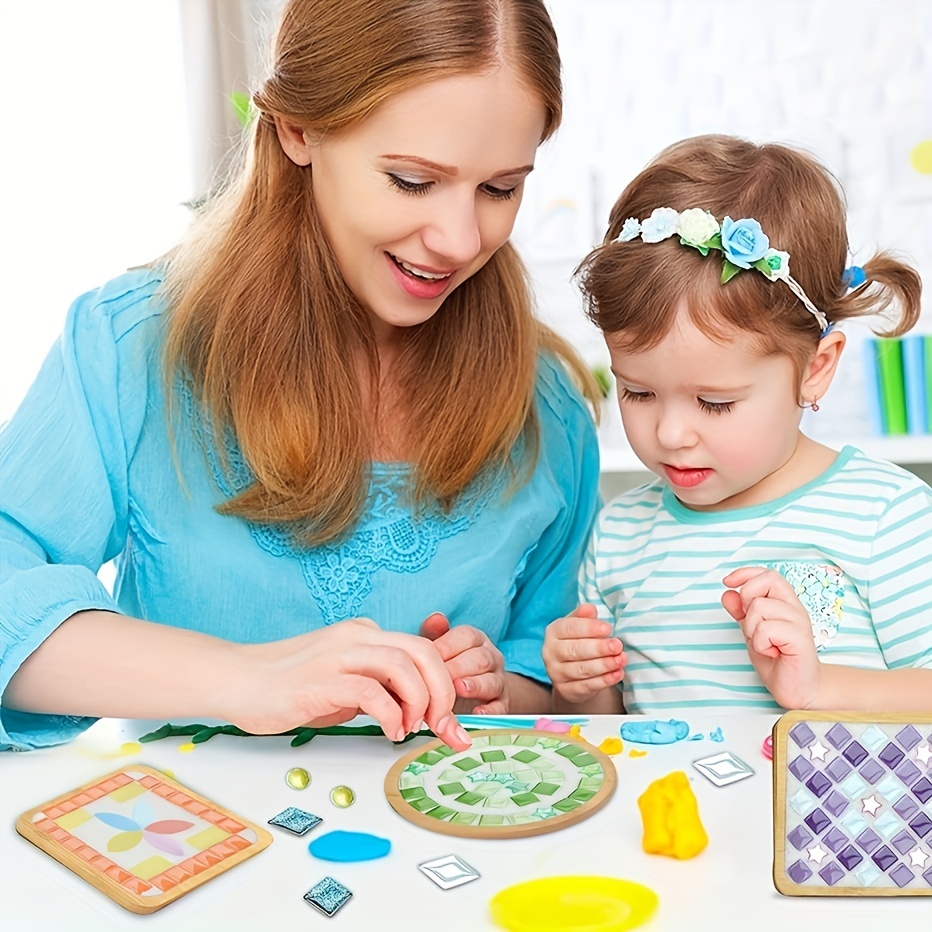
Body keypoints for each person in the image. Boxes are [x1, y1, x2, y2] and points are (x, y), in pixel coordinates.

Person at [0, 0, 601, 752]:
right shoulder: (130, 348)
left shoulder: (544, 405)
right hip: (196, 859)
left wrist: (496, 686)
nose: (458, 239)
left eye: (500, 188)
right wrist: (249, 679)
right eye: (413, 180)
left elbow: (554, 674)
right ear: (297, 128)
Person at [543, 134, 932, 715]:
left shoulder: (885, 517)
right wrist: (583, 686)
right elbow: (611, 739)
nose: (671, 434)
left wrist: (820, 687)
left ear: (815, 370)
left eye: (716, 403)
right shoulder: (621, 533)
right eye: (638, 391)